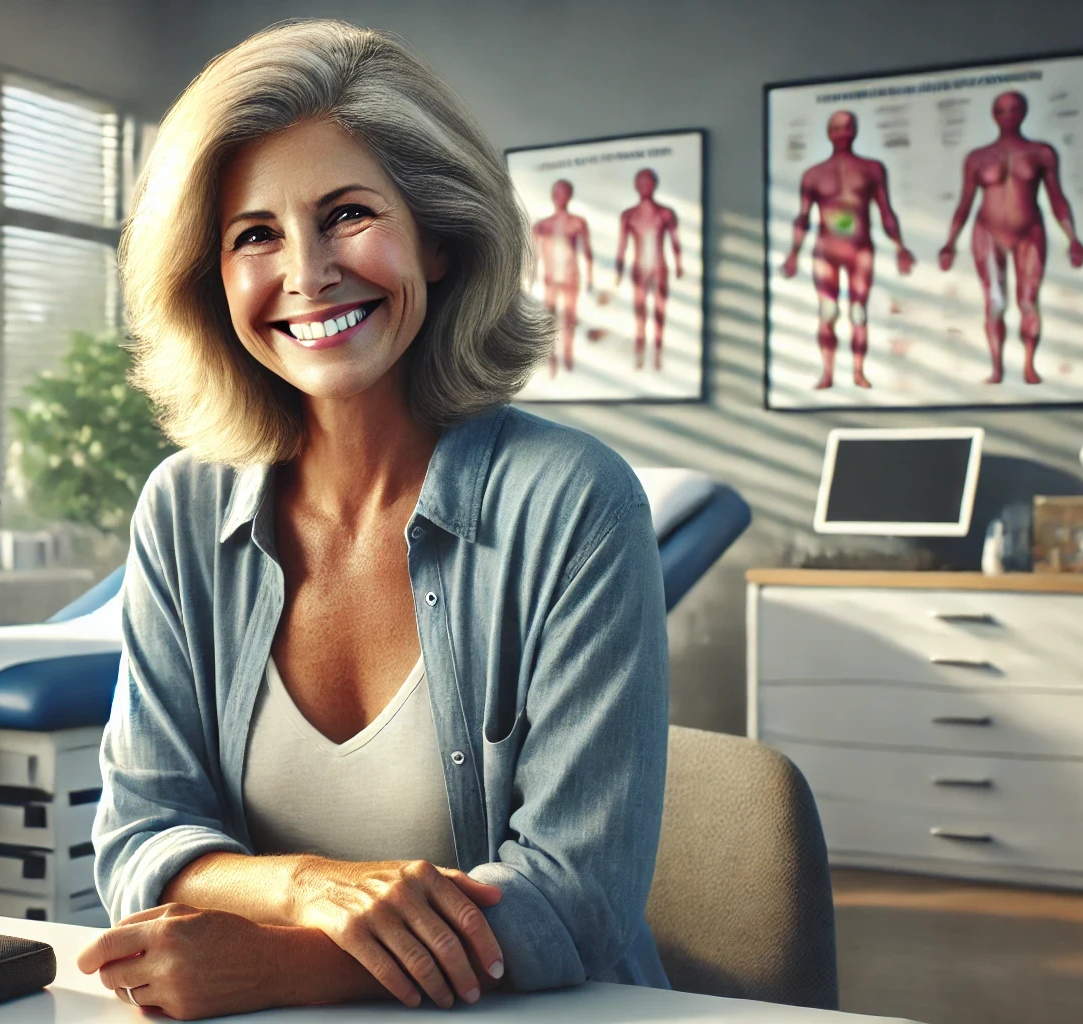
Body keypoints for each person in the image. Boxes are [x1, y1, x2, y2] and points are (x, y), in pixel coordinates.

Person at [77, 20, 669, 1020]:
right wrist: (303, 885)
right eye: (253, 233)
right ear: (211, 281)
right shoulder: (180, 507)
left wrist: (276, 965)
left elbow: (574, 898)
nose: (305, 273)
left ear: (438, 235)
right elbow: (139, 835)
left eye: (346, 213)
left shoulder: (575, 501)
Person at [935, 90, 1083, 385]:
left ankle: (1029, 366)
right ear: (994, 115)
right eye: (1002, 110)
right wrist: (950, 243)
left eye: (1015, 109)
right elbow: (965, 201)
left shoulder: (1040, 153)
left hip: (1029, 231)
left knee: (1029, 301)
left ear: (1024, 112)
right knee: (995, 302)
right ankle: (997, 368)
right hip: (988, 231)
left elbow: (1057, 198)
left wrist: (1073, 238)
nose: (1009, 116)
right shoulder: (978, 157)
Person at [781, 110, 915, 389]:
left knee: (858, 313)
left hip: (859, 248)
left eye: (847, 128)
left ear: (855, 131)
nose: (842, 133)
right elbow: (803, 217)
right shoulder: (814, 175)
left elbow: (886, 211)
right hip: (826, 248)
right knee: (828, 311)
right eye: (837, 128)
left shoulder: (872, 169)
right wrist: (793, 253)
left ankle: (858, 372)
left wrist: (900, 247)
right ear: (829, 133)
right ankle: (828, 373)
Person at [613, 168, 682, 371]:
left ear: (655, 185)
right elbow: (622, 245)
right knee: (640, 315)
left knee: (659, 313)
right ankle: (640, 356)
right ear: (636, 186)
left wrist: (679, 265)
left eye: (648, 182)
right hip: (639, 268)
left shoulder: (665, 213)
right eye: (640, 182)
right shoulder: (629, 215)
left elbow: (675, 242)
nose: (644, 186)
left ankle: (658, 355)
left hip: (659, 267)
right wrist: (618, 270)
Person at [530, 179, 592, 377]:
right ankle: (551, 359)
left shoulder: (578, 223)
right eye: (557, 193)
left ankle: (568, 357)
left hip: (571, 277)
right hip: (550, 280)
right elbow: (533, 255)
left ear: (569, 195)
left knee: (570, 318)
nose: (560, 197)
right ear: (552, 195)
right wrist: (529, 279)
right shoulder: (542, 226)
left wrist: (590, 278)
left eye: (564, 193)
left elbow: (587, 252)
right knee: (550, 319)